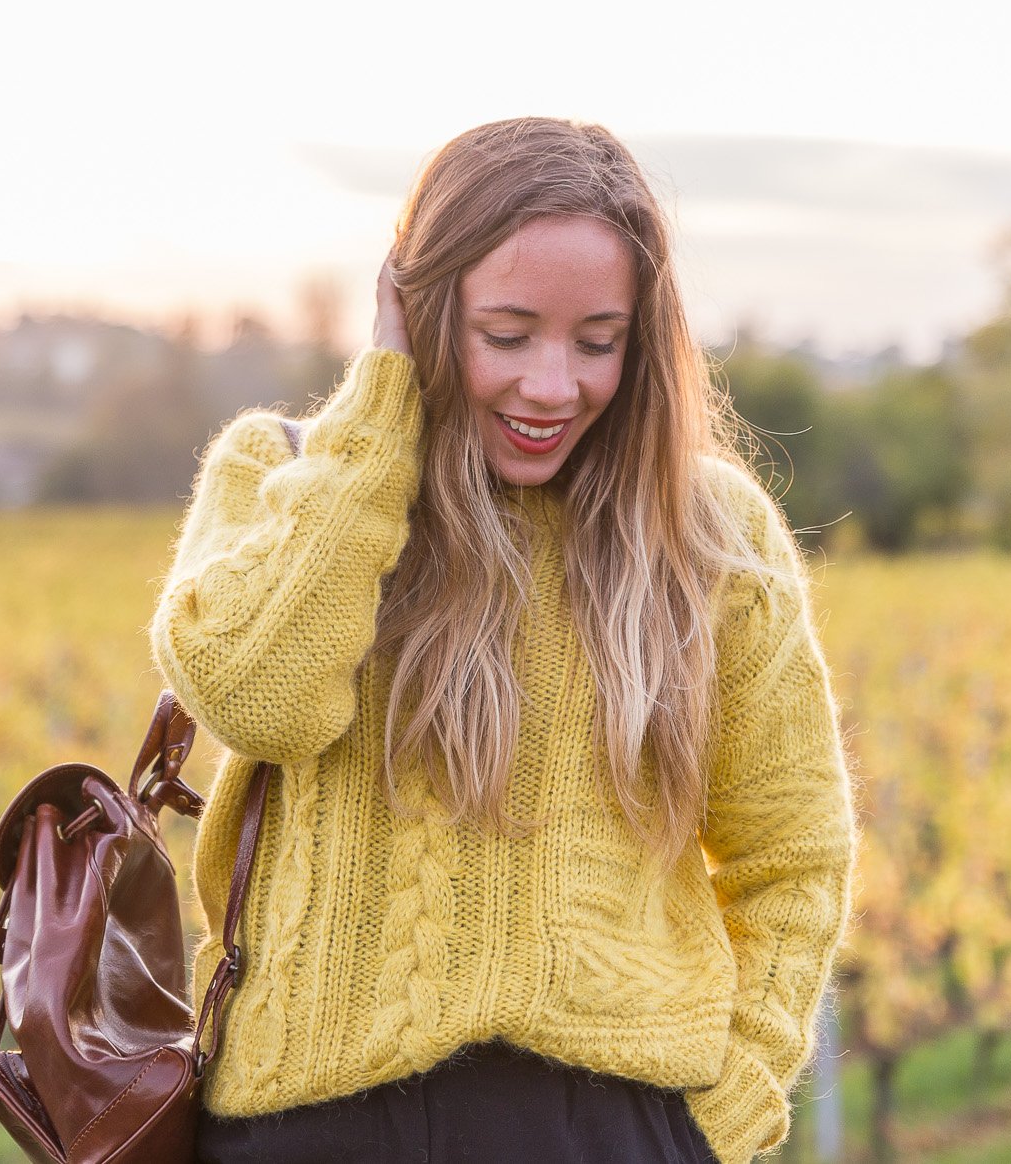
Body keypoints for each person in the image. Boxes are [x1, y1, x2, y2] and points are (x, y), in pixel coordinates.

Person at [149, 117, 858, 1164]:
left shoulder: (714, 534)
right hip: (305, 1132)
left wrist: (729, 1110)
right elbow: (259, 698)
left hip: (611, 1131)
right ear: (422, 312)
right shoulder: (280, 475)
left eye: (597, 340)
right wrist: (379, 415)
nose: (551, 384)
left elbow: (793, 855)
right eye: (508, 332)